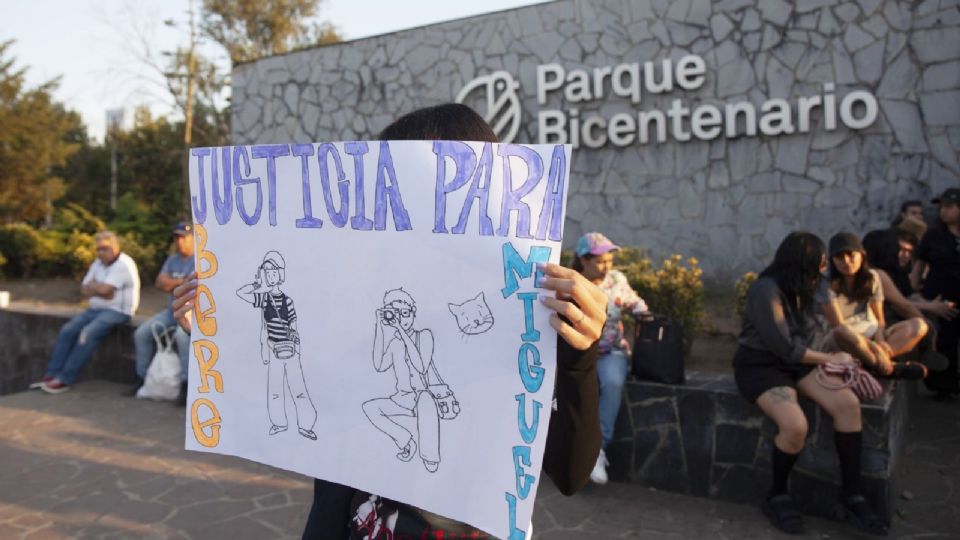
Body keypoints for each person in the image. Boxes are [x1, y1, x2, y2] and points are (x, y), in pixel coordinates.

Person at [171, 103, 607, 539]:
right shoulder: (357, 293)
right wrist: (218, 325)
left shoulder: (524, 309)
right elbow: (309, 372)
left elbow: (570, 473)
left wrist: (578, 356)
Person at [734, 231, 886, 536]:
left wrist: (838, 357)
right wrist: (833, 360)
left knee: (848, 405)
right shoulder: (766, 291)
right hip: (761, 365)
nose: (823, 270)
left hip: (799, 362)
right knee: (795, 425)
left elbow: (816, 333)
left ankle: (852, 493)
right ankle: (777, 494)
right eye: (818, 265)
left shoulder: (813, 287)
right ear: (799, 265)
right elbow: (784, 347)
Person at [571, 232, 648, 485]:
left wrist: (643, 313)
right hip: (578, 351)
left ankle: (597, 451)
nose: (606, 266)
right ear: (583, 260)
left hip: (611, 352)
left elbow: (634, 302)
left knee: (613, 383)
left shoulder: (616, 280)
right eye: (600, 261)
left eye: (609, 260)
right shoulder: (572, 283)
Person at [31, 231, 140, 394]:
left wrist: (97, 288)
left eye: (105, 249)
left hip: (118, 311)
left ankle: (64, 379)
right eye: (99, 249)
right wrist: (101, 290)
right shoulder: (98, 263)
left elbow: (103, 290)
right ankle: (51, 375)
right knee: (68, 330)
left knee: (87, 333)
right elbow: (84, 289)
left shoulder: (124, 264)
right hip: (95, 309)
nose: (101, 253)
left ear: (116, 247)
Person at [818, 232, 929, 380]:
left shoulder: (872, 278)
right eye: (839, 257)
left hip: (870, 333)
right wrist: (874, 347)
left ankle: (876, 364)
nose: (846, 261)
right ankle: (889, 368)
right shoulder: (825, 283)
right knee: (844, 333)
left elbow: (879, 320)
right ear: (832, 260)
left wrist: (881, 342)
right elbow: (839, 326)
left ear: (862, 255)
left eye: (851, 255)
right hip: (841, 340)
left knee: (918, 326)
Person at [236, 250, 318, 440]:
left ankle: (306, 425)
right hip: (273, 349)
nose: (270, 274)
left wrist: (295, 346)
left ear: (280, 274)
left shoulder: (288, 300)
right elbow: (241, 293)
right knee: (274, 389)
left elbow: (293, 324)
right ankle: (279, 423)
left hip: (289, 348)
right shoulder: (264, 298)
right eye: (267, 271)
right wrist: (257, 283)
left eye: (274, 271)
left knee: (297, 387)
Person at [131, 222, 195, 402]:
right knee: (141, 333)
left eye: (184, 237)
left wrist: (173, 283)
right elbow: (159, 283)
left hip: (190, 315)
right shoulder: (172, 259)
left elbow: (190, 286)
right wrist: (180, 282)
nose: (180, 241)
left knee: (183, 338)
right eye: (177, 237)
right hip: (170, 312)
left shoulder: (200, 258)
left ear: (193, 238)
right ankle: (142, 378)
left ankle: (186, 385)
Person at [912, 188, 960, 398]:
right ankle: (942, 386)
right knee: (942, 343)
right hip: (938, 299)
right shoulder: (933, 236)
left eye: (949, 207)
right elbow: (918, 266)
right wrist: (916, 293)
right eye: (941, 207)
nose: (943, 211)